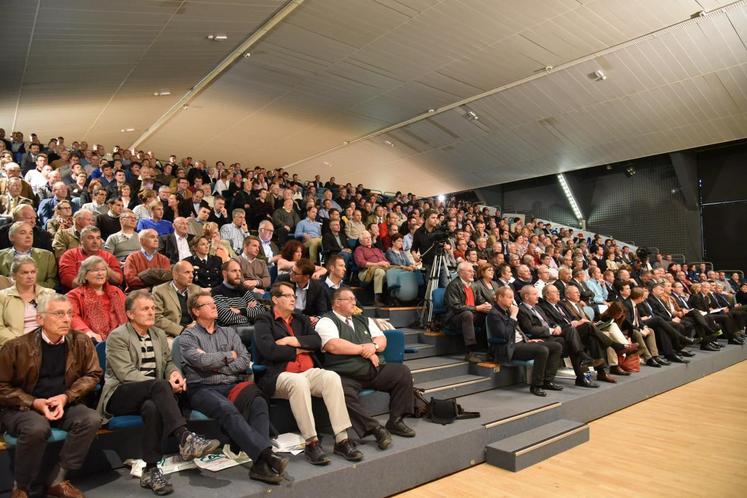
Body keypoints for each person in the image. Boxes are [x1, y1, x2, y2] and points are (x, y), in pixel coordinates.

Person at [98, 290, 220, 495]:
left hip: (151, 394)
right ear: (130, 314)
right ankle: (184, 437)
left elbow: (169, 362)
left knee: (152, 407)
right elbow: (126, 374)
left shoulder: (158, 333)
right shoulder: (118, 336)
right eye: (145, 309)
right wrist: (164, 384)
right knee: (160, 387)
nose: (151, 312)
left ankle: (151, 469)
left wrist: (173, 374)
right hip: (120, 394)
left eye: (153, 308)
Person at [179, 292, 288, 485]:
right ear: (196, 311)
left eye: (214, 303)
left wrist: (217, 362)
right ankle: (266, 455)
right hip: (202, 388)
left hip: (231, 384)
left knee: (258, 401)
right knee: (226, 408)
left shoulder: (229, 332)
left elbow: (244, 359)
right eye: (208, 304)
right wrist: (230, 355)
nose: (214, 307)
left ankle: (260, 465)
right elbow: (201, 361)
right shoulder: (188, 336)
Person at [0, 293, 102, 498]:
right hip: (24, 407)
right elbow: (2, 386)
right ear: (40, 318)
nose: (66, 319)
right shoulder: (16, 346)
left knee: (91, 418)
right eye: (58, 314)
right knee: (37, 428)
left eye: (69, 314)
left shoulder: (81, 341)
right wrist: (35, 402)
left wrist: (66, 397)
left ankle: (57, 479)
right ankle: (21, 487)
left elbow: (93, 374)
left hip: (64, 403)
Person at [254, 282, 362, 465]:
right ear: (274, 299)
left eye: (293, 296)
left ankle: (342, 440)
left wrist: (291, 340)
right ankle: (312, 442)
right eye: (287, 296)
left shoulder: (301, 319)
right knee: (298, 382)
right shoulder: (264, 321)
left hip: (308, 371)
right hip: (279, 376)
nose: (292, 299)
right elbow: (268, 350)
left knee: (331, 377)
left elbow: (316, 342)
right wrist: (298, 350)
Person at [315, 288, 415, 448]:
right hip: (345, 374)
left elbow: (382, 340)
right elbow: (333, 345)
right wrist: (365, 350)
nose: (354, 302)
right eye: (349, 299)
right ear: (337, 303)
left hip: (372, 369)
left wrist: (373, 346)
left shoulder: (363, 320)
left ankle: (396, 420)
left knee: (402, 373)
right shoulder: (326, 321)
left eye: (354, 299)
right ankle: (375, 428)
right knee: (340, 392)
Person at [486, 287, 564, 396]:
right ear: (500, 298)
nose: (512, 300)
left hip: (521, 343)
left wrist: (529, 340)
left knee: (556, 346)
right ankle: (536, 385)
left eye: (512, 297)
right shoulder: (494, 314)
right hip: (509, 348)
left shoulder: (507, 311)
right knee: (542, 350)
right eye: (509, 297)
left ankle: (547, 381)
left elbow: (518, 332)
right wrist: (513, 316)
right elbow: (505, 335)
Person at [66, 255, 127, 342]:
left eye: (103, 270)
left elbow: (128, 312)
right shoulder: (74, 295)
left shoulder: (116, 291)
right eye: (95, 270)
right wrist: (87, 332)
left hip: (121, 338)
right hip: (92, 340)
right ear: (85, 275)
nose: (100, 273)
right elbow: (72, 316)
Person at [443, 261, 494, 362]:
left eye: (473, 271)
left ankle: (490, 349)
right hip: (455, 317)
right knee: (467, 314)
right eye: (470, 271)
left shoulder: (473, 285)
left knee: (491, 314)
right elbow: (455, 307)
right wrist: (476, 308)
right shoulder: (453, 286)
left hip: (472, 314)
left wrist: (486, 306)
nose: (473, 273)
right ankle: (470, 352)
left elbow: (480, 300)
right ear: (461, 272)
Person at [0, 256, 56, 345]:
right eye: (25, 273)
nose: (30, 276)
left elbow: (57, 321)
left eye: (33, 272)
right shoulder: (2, 297)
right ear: (14, 276)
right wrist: (19, 342)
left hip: (45, 343)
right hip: (15, 344)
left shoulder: (49, 294)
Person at [58, 226, 123, 289]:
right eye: (90, 238)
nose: (95, 242)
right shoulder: (69, 255)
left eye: (98, 238)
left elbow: (119, 280)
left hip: (106, 294)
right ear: (81, 240)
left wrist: (105, 268)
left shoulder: (108, 256)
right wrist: (96, 287)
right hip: (79, 295)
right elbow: (68, 281)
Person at [0, 221, 58, 289]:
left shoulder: (47, 256)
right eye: (23, 233)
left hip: (39, 296)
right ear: (11, 237)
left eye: (31, 233)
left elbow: (53, 282)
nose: (28, 236)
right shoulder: (1, 256)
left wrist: (29, 288)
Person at [152, 261, 202, 339]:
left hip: (196, 331)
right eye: (187, 272)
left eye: (192, 272)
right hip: (171, 334)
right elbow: (156, 317)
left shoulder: (196, 289)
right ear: (175, 275)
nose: (191, 276)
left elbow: (204, 311)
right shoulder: (159, 291)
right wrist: (182, 330)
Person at [212, 259, 266, 327]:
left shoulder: (243, 290)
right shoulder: (216, 292)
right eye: (234, 271)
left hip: (251, 327)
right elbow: (227, 317)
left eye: (239, 271)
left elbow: (261, 312)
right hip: (232, 330)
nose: (238, 274)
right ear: (224, 273)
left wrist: (241, 311)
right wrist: (250, 315)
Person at [276, 258, 331, 324]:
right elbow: (275, 301)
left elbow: (322, 311)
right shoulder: (282, 280)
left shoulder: (318, 287)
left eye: (295, 273)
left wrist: (317, 318)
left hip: (307, 323)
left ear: (306, 277)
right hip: (285, 318)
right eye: (291, 270)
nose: (291, 273)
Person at [354, 231, 390, 306]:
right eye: (366, 238)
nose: (369, 239)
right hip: (365, 272)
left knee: (393, 271)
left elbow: (386, 260)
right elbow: (361, 263)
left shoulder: (377, 249)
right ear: (361, 241)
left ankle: (392, 297)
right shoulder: (359, 249)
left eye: (369, 237)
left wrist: (387, 263)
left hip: (382, 268)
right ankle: (377, 298)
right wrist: (377, 264)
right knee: (380, 271)